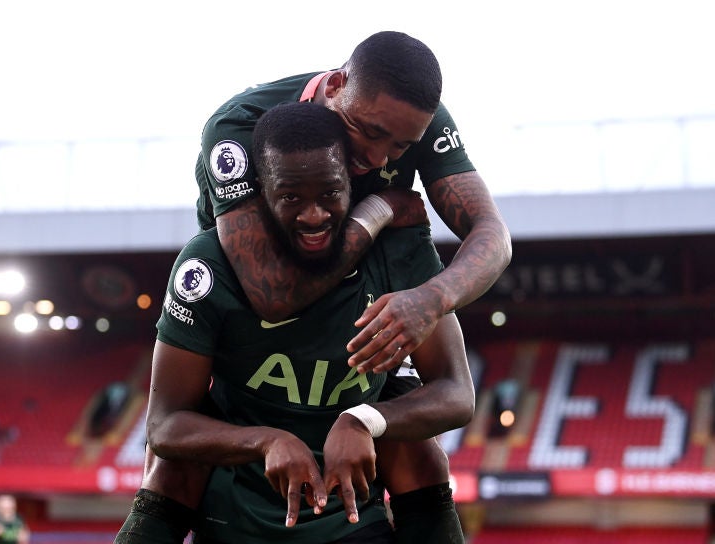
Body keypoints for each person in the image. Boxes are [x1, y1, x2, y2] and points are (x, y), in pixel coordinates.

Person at [191, 30, 509, 540]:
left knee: (422, 457)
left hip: (352, 312)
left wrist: (431, 298)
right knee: (170, 469)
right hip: (255, 325)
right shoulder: (240, 127)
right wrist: (378, 211)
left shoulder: (414, 119)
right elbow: (269, 292)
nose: (378, 157)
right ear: (337, 85)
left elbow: (493, 235)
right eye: (368, 131)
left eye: (401, 146)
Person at [115, 102, 475, 543]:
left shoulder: (397, 250)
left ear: (351, 183)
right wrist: (265, 440)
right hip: (238, 510)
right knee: (168, 464)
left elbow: (458, 393)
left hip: (353, 519)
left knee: (421, 453)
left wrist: (364, 418)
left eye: (330, 193)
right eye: (290, 198)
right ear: (260, 192)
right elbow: (164, 425)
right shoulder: (208, 266)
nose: (313, 215)